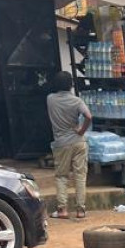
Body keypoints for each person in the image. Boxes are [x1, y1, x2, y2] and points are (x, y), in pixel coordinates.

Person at [47, 71, 91, 220]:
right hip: (78, 142)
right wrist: (81, 131)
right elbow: (88, 116)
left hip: (61, 144)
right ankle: (81, 210)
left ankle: (62, 210)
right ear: (71, 85)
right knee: (80, 176)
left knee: (61, 176)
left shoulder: (50, 99)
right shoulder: (77, 101)